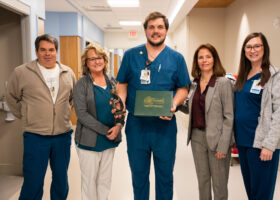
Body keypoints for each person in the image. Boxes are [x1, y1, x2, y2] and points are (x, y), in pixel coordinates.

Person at [115, 12, 190, 200]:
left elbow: (183, 88)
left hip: (164, 126)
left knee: (165, 177)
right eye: (151, 27)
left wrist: (173, 104)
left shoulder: (176, 58)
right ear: (145, 30)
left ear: (166, 30)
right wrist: (121, 100)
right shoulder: (131, 55)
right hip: (137, 126)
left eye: (160, 27)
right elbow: (121, 83)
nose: (156, 31)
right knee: (139, 176)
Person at [6, 34, 76, 200]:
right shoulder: (22, 72)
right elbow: (11, 97)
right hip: (35, 136)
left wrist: (64, 115)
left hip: (62, 136)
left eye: (51, 50)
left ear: (56, 52)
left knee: (61, 180)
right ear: (36, 51)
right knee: (33, 181)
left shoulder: (67, 72)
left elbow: (72, 98)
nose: (48, 53)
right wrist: (27, 116)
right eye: (43, 50)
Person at [234, 32, 280, 200]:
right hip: (243, 142)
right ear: (244, 50)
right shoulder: (243, 76)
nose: (253, 50)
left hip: (262, 144)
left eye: (257, 46)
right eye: (249, 46)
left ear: (265, 49)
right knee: (251, 190)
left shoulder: (274, 76)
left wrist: (269, 145)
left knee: (262, 193)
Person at [180, 44, 234, 200]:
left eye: (208, 56)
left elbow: (229, 117)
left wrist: (223, 146)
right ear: (196, 61)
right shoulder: (193, 84)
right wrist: (171, 105)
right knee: (202, 182)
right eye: (200, 57)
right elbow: (189, 107)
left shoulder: (223, 83)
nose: (204, 60)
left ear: (214, 59)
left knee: (219, 184)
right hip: (197, 138)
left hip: (218, 140)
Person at [73, 43, 122, 200]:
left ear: (104, 59)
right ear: (86, 63)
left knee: (105, 180)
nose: (96, 61)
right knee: (89, 181)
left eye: (99, 57)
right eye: (91, 59)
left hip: (110, 139)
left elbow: (121, 108)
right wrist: (105, 130)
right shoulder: (82, 84)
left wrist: (118, 126)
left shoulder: (112, 82)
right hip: (89, 141)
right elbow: (81, 114)